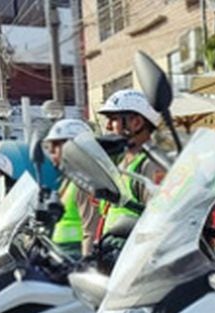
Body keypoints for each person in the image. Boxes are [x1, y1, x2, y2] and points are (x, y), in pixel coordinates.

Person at [95, 89, 166, 240]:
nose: (108, 127)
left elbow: (157, 222)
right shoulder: (122, 165)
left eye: (113, 119)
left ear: (136, 122)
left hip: (135, 257)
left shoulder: (151, 166)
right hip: (115, 256)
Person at [41, 118, 98, 258]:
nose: (51, 152)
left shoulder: (85, 182)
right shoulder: (68, 180)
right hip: (62, 253)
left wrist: (87, 260)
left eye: (56, 146)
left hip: (76, 253)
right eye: (49, 148)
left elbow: (90, 227)